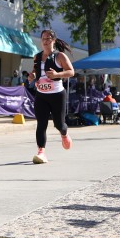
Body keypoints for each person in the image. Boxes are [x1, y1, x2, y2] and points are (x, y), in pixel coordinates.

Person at [30, 30, 75, 163]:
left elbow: (71, 72)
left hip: (57, 95)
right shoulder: (37, 57)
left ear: (53, 40)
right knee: (41, 124)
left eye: (48, 38)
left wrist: (57, 75)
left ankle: (64, 133)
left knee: (59, 124)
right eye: (43, 38)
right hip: (41, 95)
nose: (45, 41)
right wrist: (32, 76)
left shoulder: (59, 56)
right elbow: (36, 71)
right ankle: (41, 152)